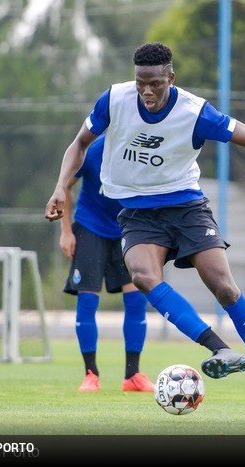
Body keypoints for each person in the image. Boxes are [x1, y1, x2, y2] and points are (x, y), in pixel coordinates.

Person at [46, 43, 245, 418]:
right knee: (143, 276)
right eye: (140, 83)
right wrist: (60, 186)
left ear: (171, 77)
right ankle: (219, 348)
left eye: (154, 83)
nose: (147, 92)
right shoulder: (114, 99)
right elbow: (79, 144)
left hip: (186, 206)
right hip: (137, 211)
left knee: (224, 286)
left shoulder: (195, 112)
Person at [60, 135, 155, 393]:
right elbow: (65, 186)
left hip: (127, 231)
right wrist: (66, 231)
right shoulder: (93, 151)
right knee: (88, 300)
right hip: (90, 228)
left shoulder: (142, 152)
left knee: (136, 300)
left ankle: (132, 376)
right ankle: (90, 374)